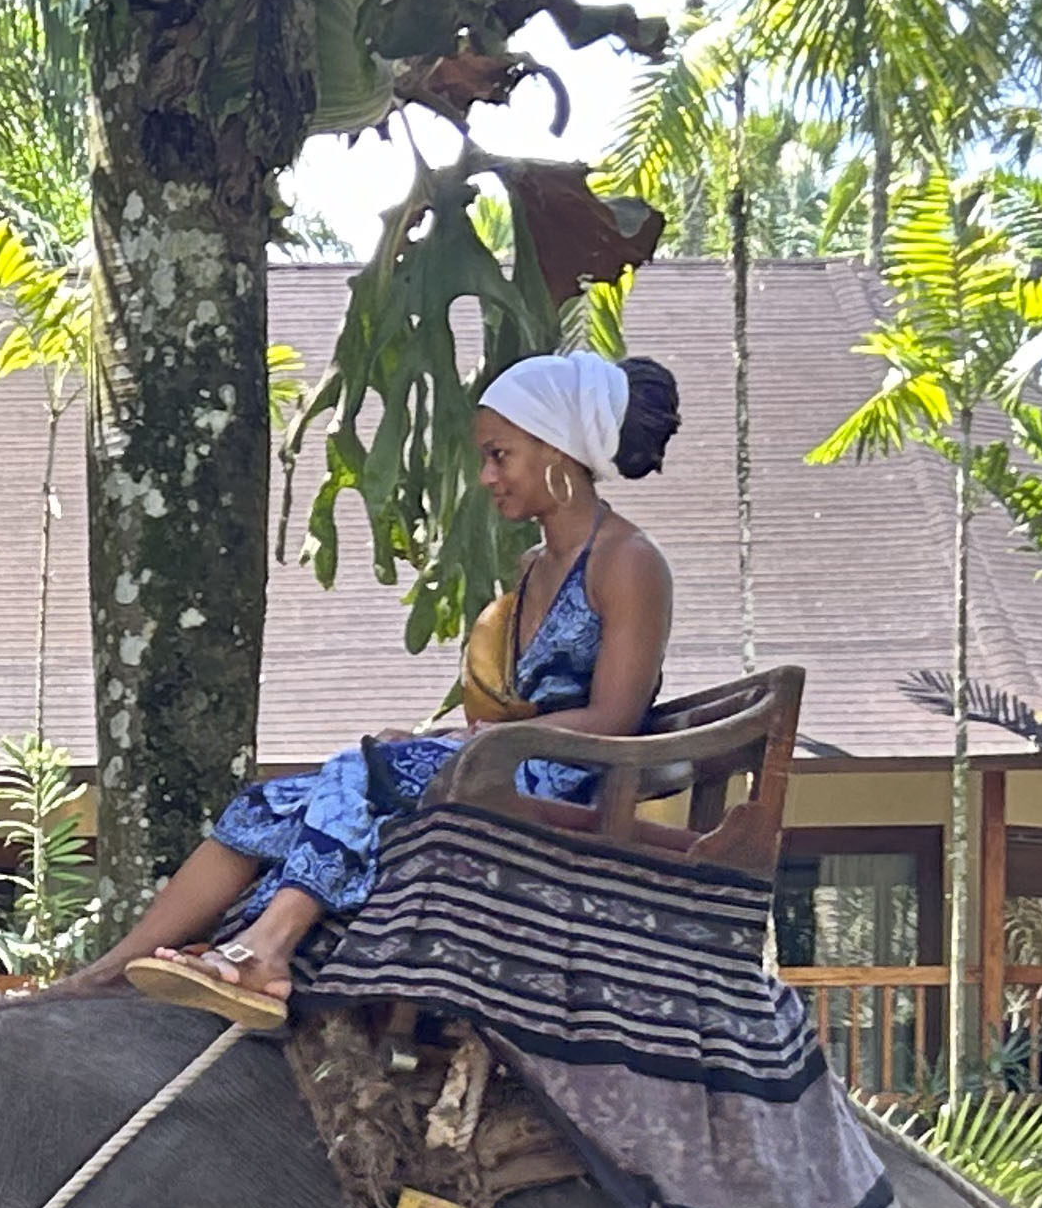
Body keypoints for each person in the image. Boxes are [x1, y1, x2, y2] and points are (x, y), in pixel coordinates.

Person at [78, 351, 682, 1028]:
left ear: (557, 448)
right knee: (264, 807)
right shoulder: (534, 565)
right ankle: (108, 973)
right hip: (498, 762)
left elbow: (616, 717)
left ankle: (266, 949)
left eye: (499, 455)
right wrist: (444, 742)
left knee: (359, 767)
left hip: (559, 785)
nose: (487, 477)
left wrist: (470, 743)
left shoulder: (629, 563)